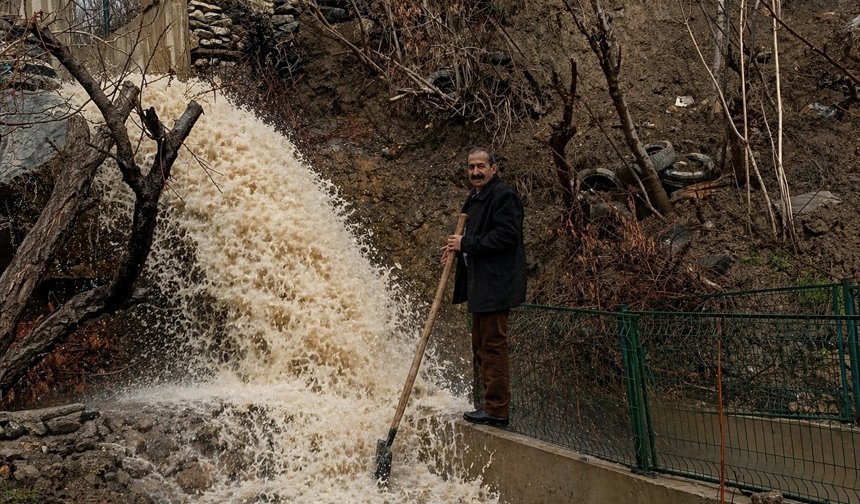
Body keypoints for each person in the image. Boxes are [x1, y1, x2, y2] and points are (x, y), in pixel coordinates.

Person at [441, 147, 526, 427]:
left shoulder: (504, 196)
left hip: (496, 284)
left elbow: (506, 236)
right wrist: (454, 248)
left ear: (494, 169)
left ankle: (497, 410)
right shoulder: (474, 198)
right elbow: (466, 235)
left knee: (493, 347)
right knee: (480, 346)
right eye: (471, 167)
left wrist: (466, 244)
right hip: (481, 285)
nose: (475, 172)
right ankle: (486, 404)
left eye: (481, 166)